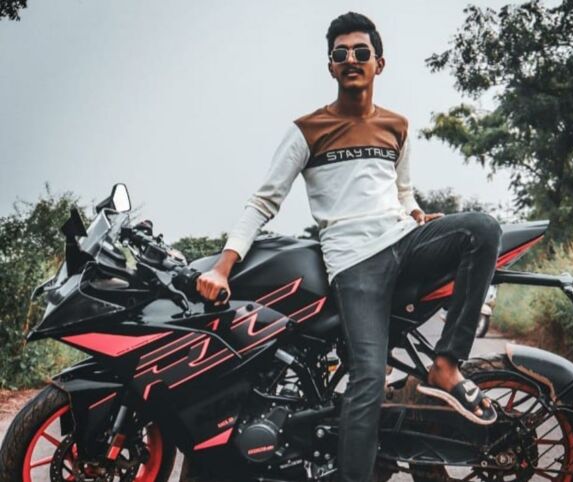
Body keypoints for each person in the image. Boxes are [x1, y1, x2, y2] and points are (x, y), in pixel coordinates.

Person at [197, 12, 502, 482]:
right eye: (341, 54)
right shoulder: (307, 130)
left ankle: (445, 364)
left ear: (379, 63)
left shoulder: (397, 126)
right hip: (355, 264)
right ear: (331, 67)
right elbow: (263, 202)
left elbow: (402, 192)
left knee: (482, 228)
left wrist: (417, 213)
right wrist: (223, 266)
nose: (351, 59)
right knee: (368, 379)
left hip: (404, 241)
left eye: (361, 52)